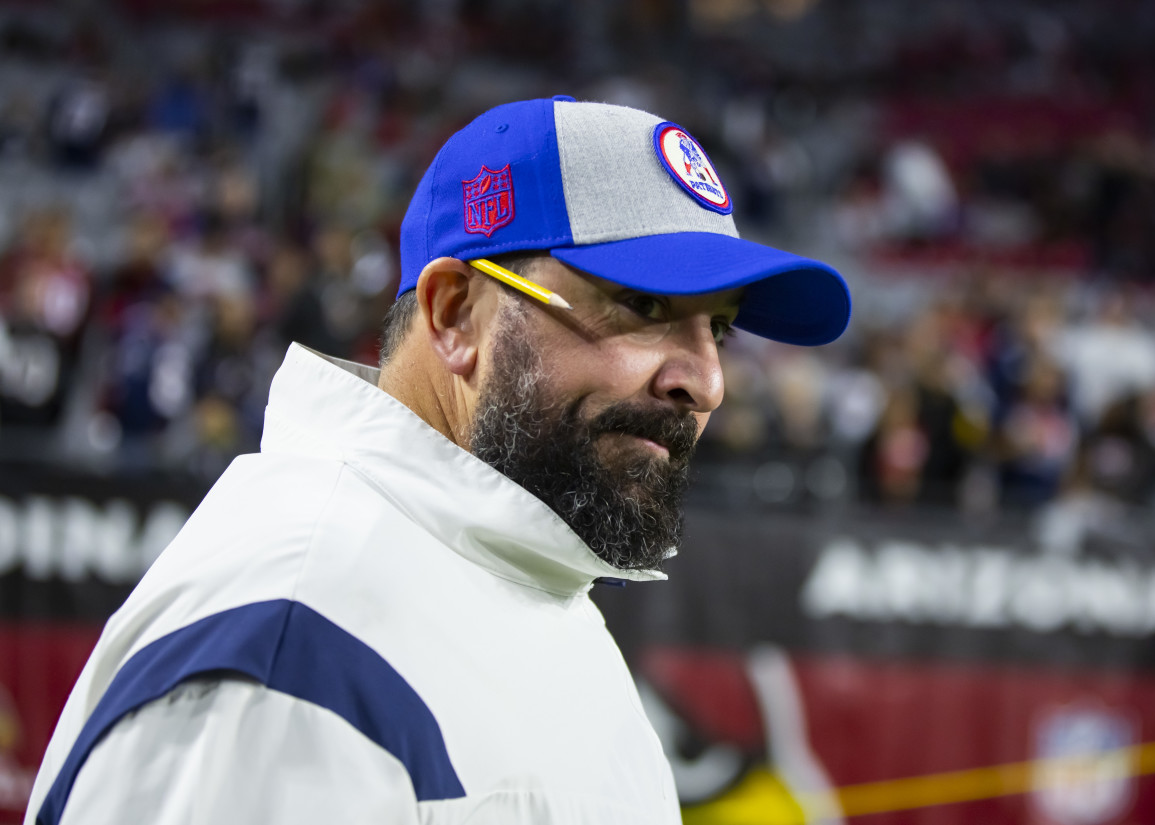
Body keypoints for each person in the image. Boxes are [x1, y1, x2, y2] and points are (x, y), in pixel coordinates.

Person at [25, 96, 850, 824]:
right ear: (455, 315)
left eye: (721, 330)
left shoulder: (523, 587)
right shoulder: (293, 643)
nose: (704, 381)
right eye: (642, 307)